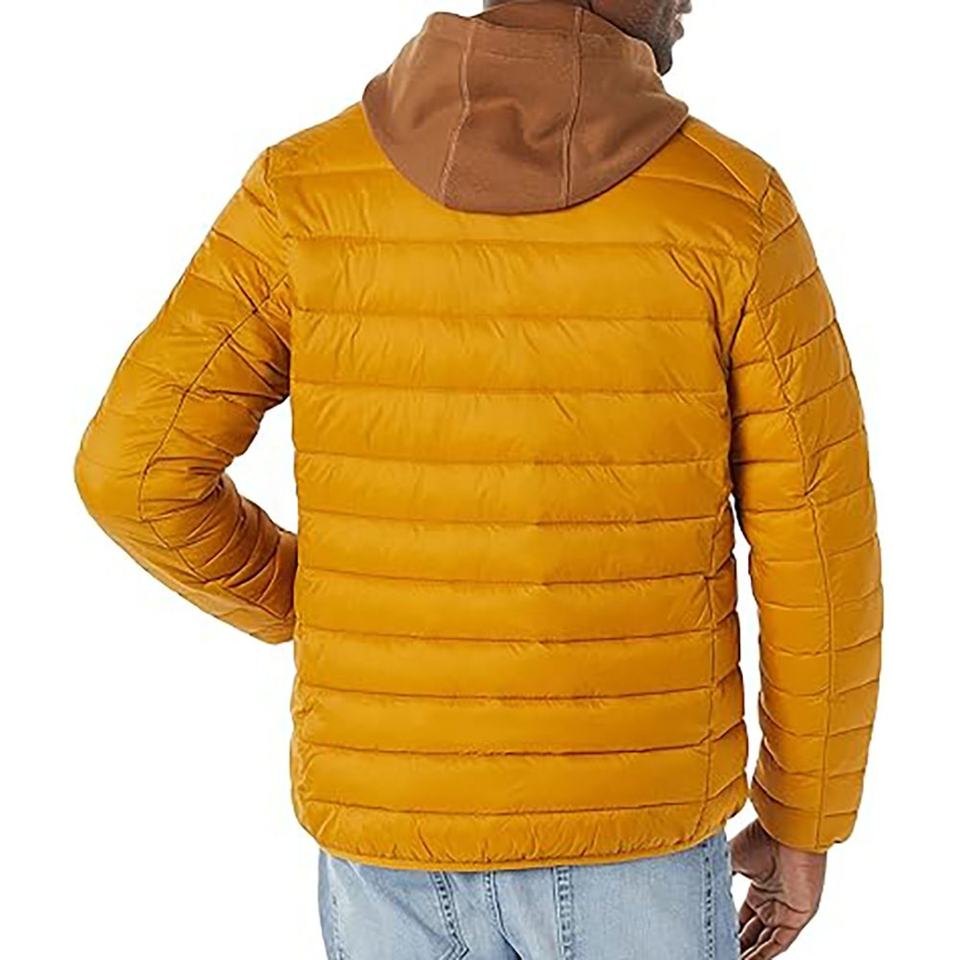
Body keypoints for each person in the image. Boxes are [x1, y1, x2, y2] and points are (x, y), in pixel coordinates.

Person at [73, 1, 882, 957]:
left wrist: (332, 606)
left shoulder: (304, 192)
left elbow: (134, 471)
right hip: (633, 823)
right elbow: (819, 553)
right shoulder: (731, 207)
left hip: (389, 823)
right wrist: (802, 818)